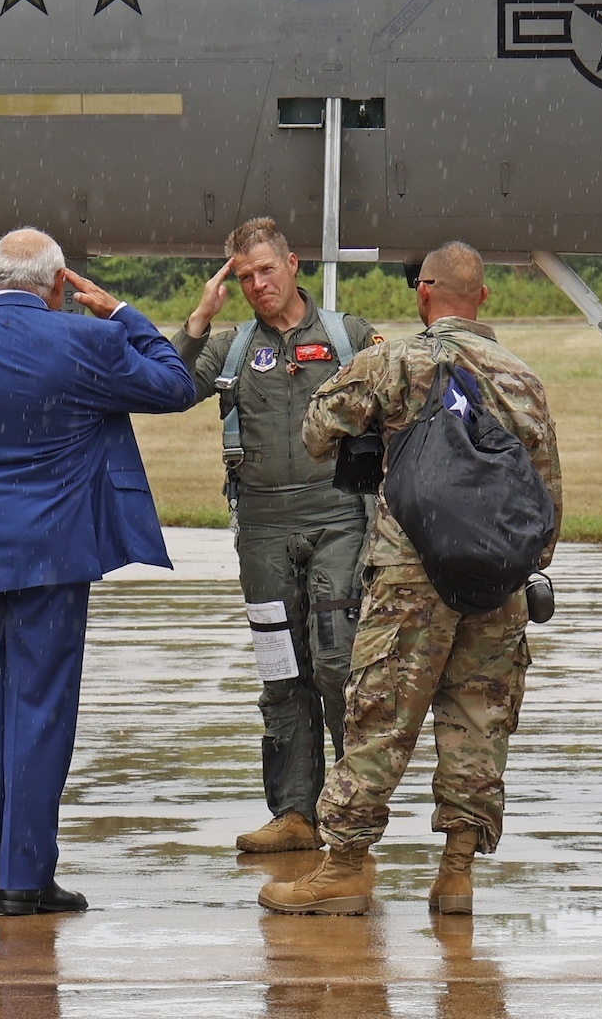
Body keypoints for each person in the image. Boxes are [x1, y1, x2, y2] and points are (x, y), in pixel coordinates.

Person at [0, 228, 195, 916]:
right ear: (59, 287)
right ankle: (25, 880)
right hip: (51, 562)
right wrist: (121, 315)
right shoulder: (86, 341)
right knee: (39, 716)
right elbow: (176, 384)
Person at [258, 240, 562, 915]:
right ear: (483, 297)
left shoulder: (396, 358)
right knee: (477, 723)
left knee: (379, 716)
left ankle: (345, 869)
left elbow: (316, 431)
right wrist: (516, 569)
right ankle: (456, 874)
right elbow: (546, 497)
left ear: (424, 294)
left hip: (411, 574)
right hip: (497, 579)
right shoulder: (522, 378)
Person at [173, 218, 381, 853]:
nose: (258, 285)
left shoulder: (351, 338)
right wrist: (198, 320)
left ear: (293, 264)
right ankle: (294, 814)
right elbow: (169, 386)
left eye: (266, 270)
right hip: (261, 528)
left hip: (339, 517)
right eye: (243, 278)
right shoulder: (231, 348)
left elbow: (406, 398)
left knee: (338, 663)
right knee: (280, 671)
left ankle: (351, 813)